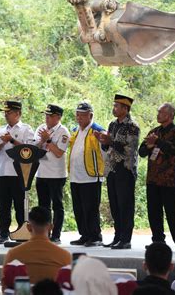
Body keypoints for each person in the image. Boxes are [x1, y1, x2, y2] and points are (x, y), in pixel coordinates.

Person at [139, 103, 175, 253]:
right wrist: (149, 146)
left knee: (174, 212)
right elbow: (141, 152)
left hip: (170, 180)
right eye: (158, 111)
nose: (158, 114)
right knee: (154, 212)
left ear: (169, 115)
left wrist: (157, 142)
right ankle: (158, 241)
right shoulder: (153, 132)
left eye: (161, 112)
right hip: (153, 179)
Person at [97, 94, 140, 249]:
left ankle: (126, 239)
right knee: (115, 205)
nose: (114, 108)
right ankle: (117, 236)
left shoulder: (133, 126)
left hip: (126, 170)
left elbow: (131, 149)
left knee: (125, 205)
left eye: (117, 106)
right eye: (114, 105)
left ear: (125, 109)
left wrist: (111, 142)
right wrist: (103, 141)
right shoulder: (112, 125)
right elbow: (108, 148)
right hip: (112, 169)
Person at [0, 101, 34, 244]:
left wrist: (12, 140)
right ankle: (3, 232)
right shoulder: (0, 130)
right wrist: (3, 142)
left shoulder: (26, 129)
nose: (6, 115)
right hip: (2, 172)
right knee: (3, 205)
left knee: (20, 205)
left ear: (18, 113)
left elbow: (29, 149)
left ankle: (23, 232)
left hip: (19, 173)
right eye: (5, 113)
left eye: (9, 113)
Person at [2, 206, 71, 285]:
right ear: (51, 227)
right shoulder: (65, 256)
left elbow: (5, 286)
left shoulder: (13, 254)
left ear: (28, 227)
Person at [68, 102, 105, 247]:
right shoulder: (77, 130)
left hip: (91, 176)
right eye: (77, 114)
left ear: (90, 115)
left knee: (90, 208)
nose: (79, 117)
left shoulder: (97, 130)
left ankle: (95, 236)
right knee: (79, 208)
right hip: (76, 176)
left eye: (82, 115)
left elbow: (104, 152)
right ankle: (84, 234)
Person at [34, 104, 70, 244]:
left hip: (56, 175)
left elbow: (59, 152)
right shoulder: (41, 129)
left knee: (57, 205)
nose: (46, 118)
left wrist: (48, 140)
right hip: (41, 173)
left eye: (50, 116)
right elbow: (35, 149)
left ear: (58, 117)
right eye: (46, 115)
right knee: (43, 206)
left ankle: (56, 235)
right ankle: (44, 234)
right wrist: (43, 140)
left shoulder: (63, 131)